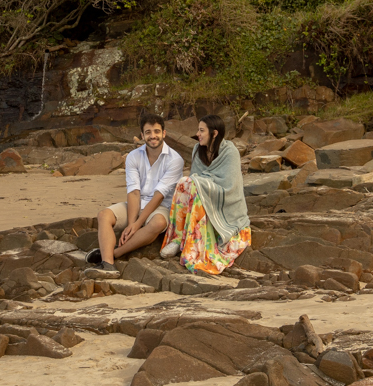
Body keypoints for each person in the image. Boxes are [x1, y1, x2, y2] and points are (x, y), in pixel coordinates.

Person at [87, 113, 184, 271]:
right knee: (104, 215)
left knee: (158, 223)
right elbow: (133, 192)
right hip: (136, 203)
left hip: (160, 207)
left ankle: (115, 254)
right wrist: (131, 224)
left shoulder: (175, 159)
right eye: (148, 132)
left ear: (164, 133)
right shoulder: (133, 156)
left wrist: (137, 224)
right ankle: (108, 265)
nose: (153, 136)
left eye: (157, 131)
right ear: (142, 135)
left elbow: (159, 195)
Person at [160, 114, 251, 275]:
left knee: (193, 184)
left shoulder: (230, 152)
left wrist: (200, 183)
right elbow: (195, 178)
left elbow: (229, 186)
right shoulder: (198, 150)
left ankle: (195, 244)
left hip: (225, 205)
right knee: (185, 183)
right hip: (202, 196)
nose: (198, 134)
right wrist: (199, 183)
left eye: (202, 131)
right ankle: (178, 238)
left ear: (214, 133)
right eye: (198, 130)